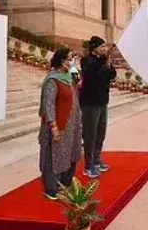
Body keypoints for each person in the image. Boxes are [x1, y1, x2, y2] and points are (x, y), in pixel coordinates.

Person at [38, 48, 82, 200]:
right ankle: (51, 188)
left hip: (72, 124)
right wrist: (53, 126)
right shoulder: (53, 79)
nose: (72, 61)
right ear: (62, 60)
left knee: (70, 152)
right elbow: (48, 104)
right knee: (54, 155)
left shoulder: (68, 77)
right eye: (70, 58)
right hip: (58, 124)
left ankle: (65, 183)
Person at [80, 36, 117, 178]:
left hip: (103, 102)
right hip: (90, 103)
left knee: (101, 133)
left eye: (104, 47)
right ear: (94, 47)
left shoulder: (103, 61)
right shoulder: (87, 60)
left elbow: (111, 75)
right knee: (90, 134)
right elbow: (92, 73)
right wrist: (104, 61)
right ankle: (88, 166)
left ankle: (96, 160)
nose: (104, 49)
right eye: (102, 47)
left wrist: (108, 65)